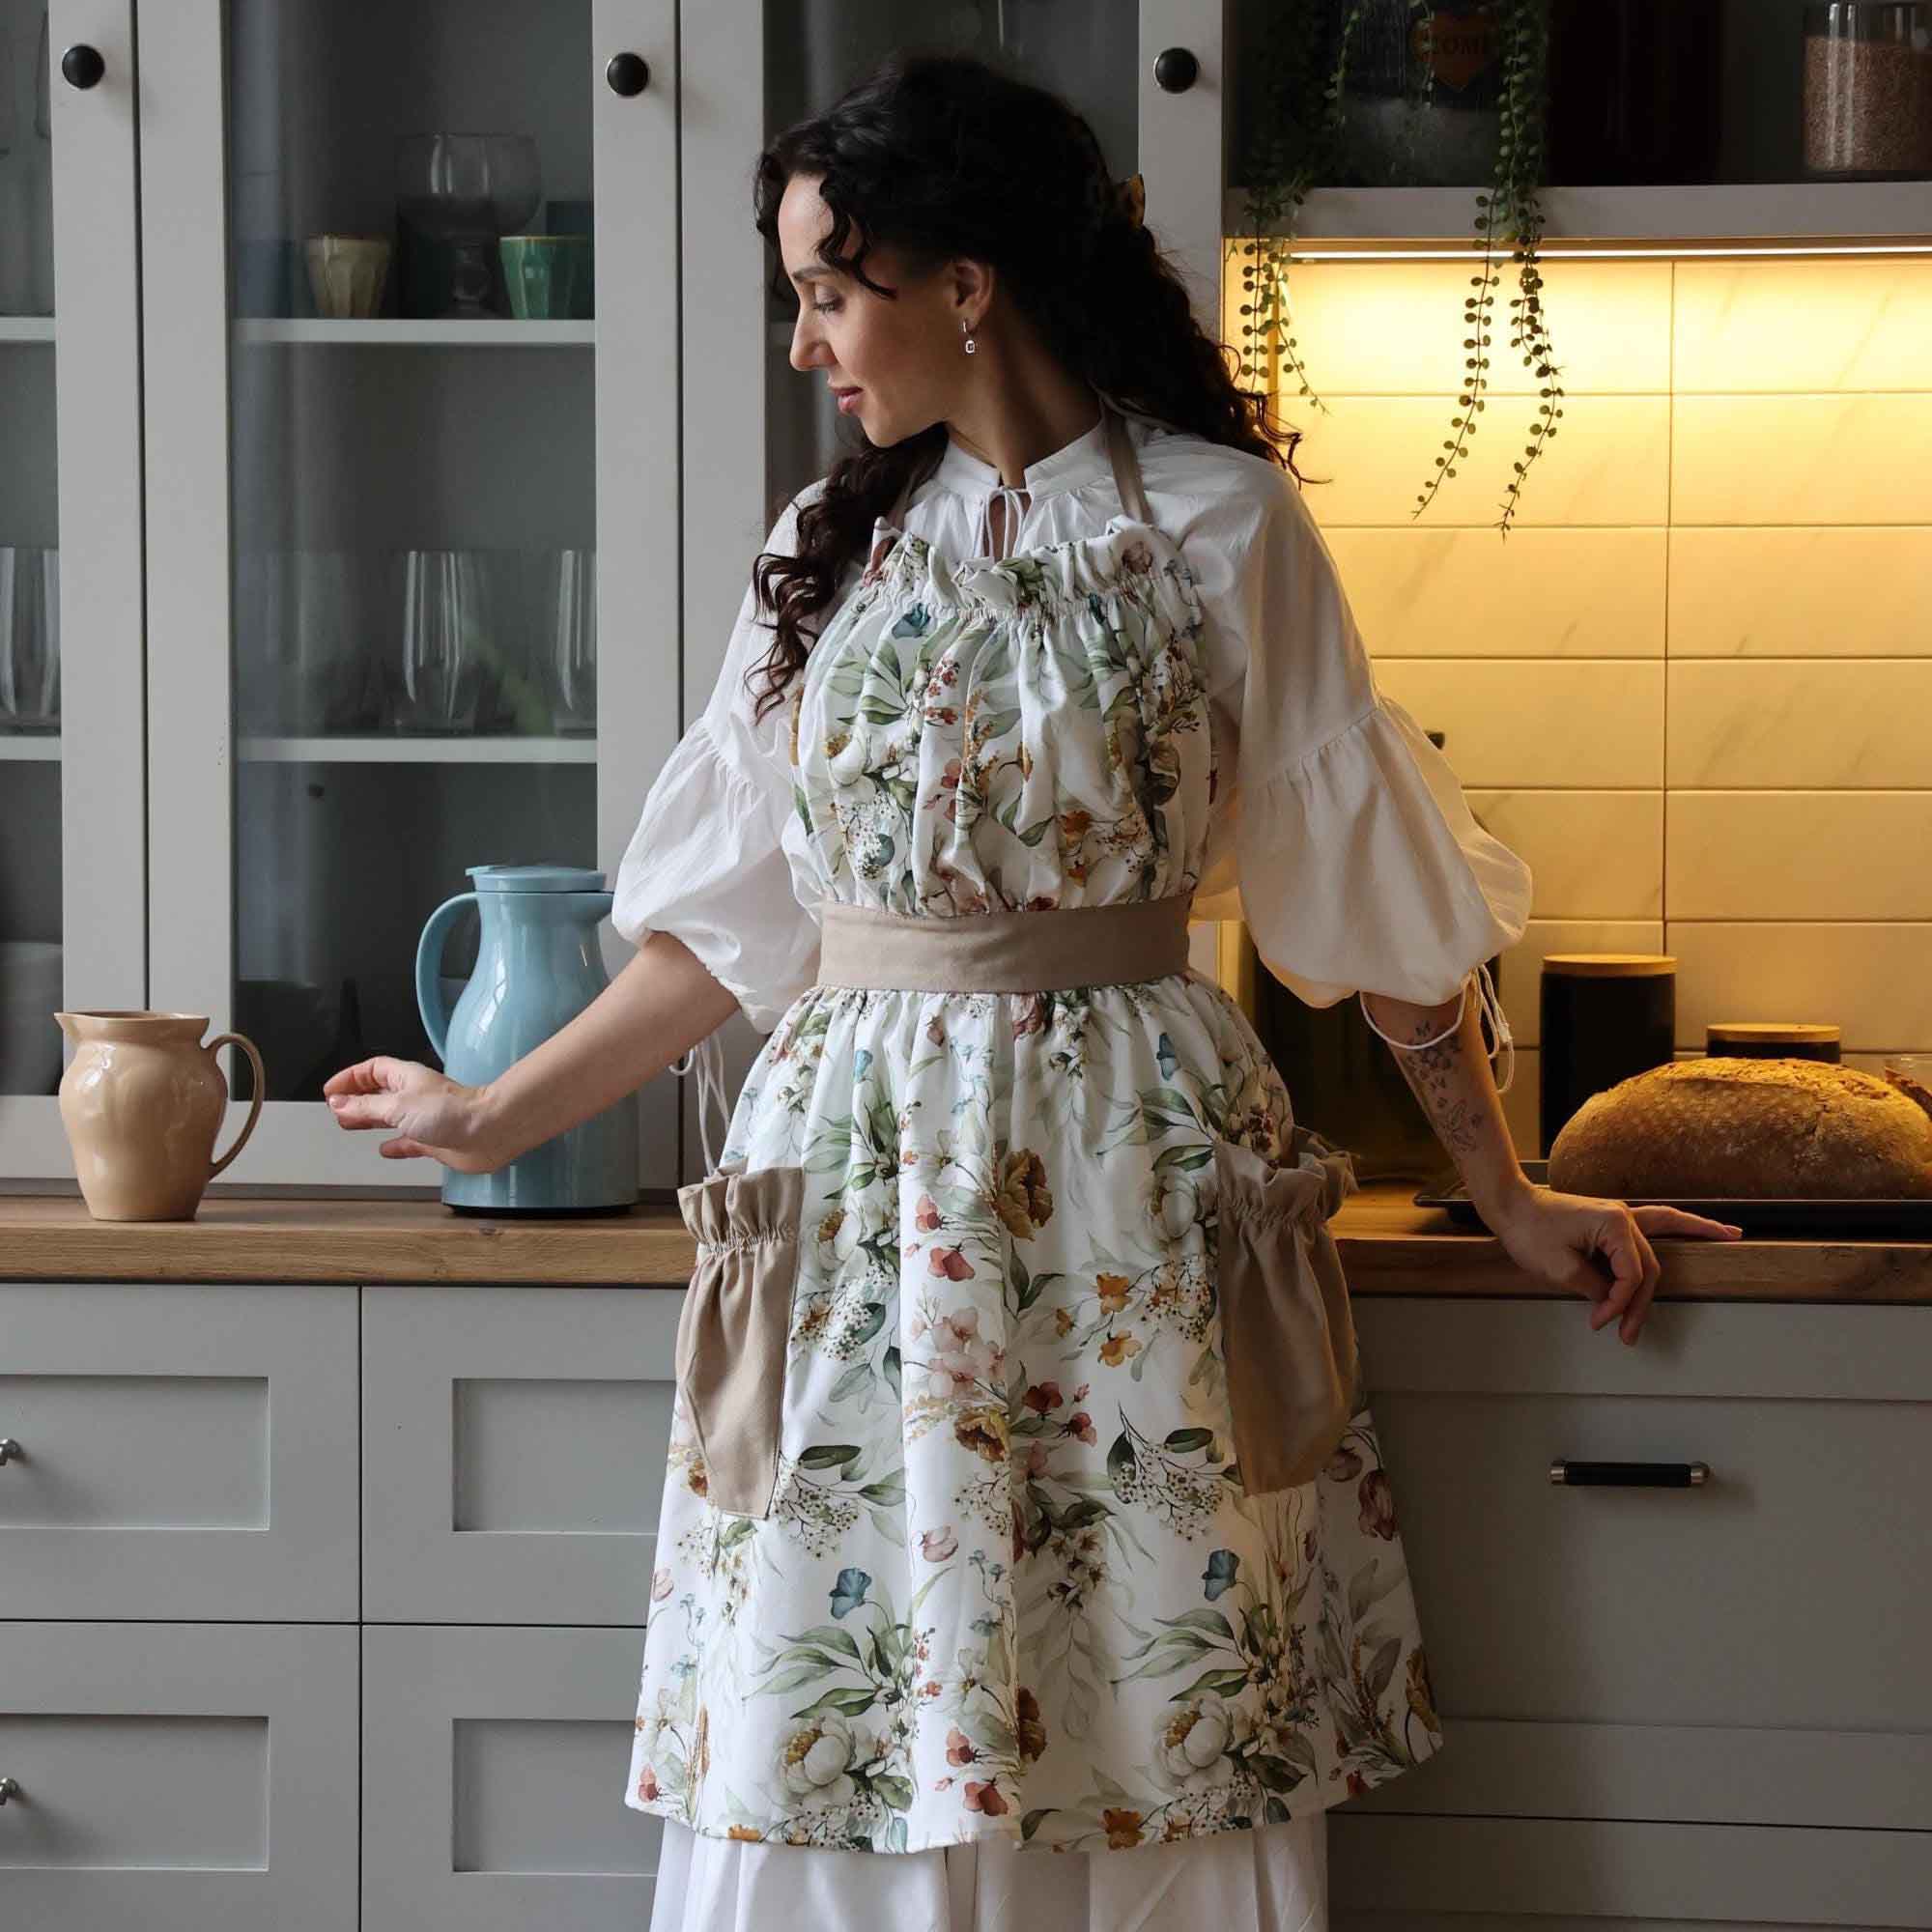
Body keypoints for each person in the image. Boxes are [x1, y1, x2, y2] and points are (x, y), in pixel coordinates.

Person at [323, 48, 1745, 1932]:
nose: (806, 344)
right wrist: (492, 1113)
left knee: (1159, 1681)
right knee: (838, 1670)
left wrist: (1508, 1191)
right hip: (862, 1194)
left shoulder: (1228, 527)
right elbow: (722, 931)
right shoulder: (822, 553)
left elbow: (1380, 911)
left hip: (1132, 1185)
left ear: (966, 282)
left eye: (829, 293)